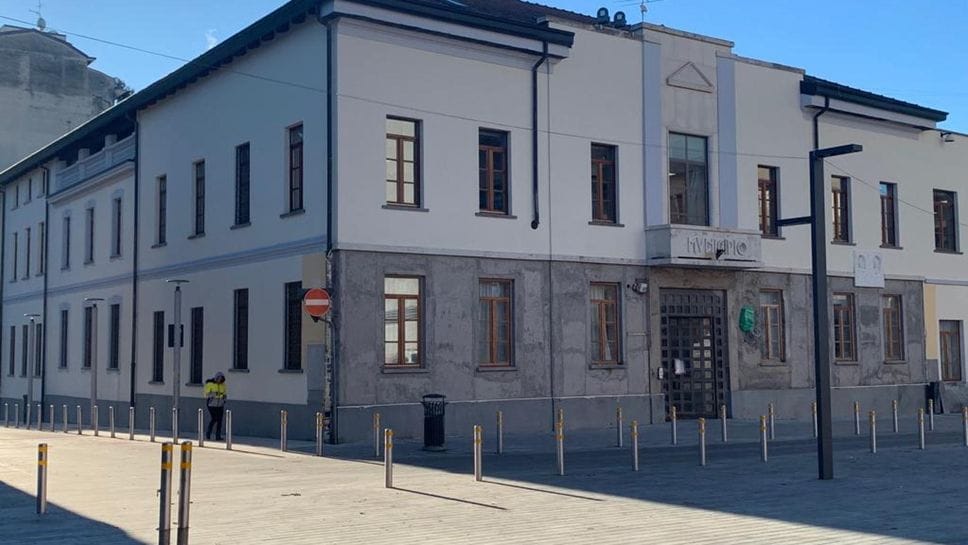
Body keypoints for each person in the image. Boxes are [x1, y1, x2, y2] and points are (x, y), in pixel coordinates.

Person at [204, 372, 227, 440]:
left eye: (221, 378)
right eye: (218, 378)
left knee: (220, 420)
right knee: (214, 418)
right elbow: (207, 394)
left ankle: (218, 436)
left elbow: (225, 394)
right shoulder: (210, 384)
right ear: (216, 378)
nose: (220, 379)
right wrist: (215, 394)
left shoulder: (223, 385)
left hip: (220, 404)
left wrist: (224, 400)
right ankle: (208, 433)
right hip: (211, 404)